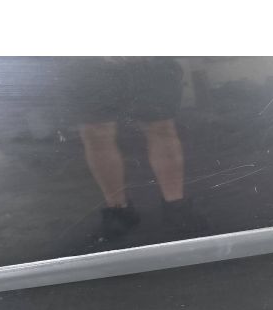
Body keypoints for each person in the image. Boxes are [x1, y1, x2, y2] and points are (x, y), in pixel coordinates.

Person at [67, 56, 205, 239]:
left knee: (161, 127)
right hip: (92, 60)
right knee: (96, 131)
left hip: (149, 59)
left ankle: (176, 206)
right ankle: (118, 210)